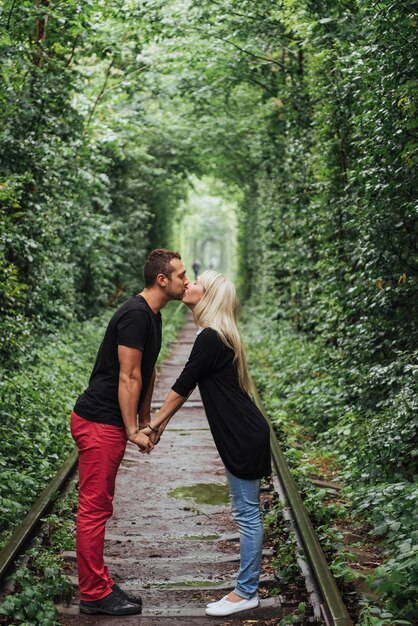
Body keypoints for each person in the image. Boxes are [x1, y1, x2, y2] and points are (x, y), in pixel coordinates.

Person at [141, 270, 271, 618]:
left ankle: (246, 592)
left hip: (243, 436)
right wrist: (158, 427)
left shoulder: (211, 337)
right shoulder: (217, 335)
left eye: (197, 282)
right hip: (244, 433)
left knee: (246, 515)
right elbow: (187, 388)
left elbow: (182, 386)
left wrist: (151, 426)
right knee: (247, 513)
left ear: (208, 294)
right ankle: (246, 589)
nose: (190, 285)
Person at [70, 249, 189, 616]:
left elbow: (148, 372)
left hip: (109, 422)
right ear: (161, 280)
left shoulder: (153, 316)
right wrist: (132, 430)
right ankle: (93, 594)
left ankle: (100, 582)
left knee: (99, 506)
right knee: (94, 509)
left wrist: (147, 421)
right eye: (181, 275)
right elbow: (128, 376)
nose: (187, 280)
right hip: (99, 421)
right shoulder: (136, 315)